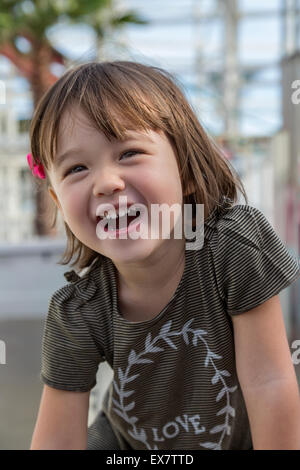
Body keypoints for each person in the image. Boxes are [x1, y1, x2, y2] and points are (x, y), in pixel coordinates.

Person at [29, 61, 300, 450]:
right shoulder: (77, 312)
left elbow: (269, 382)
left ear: (186, 169)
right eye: (76, 168)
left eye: (129, 153)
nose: (106, 182)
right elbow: (57, 440)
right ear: (57, 200)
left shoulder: (232, 249)